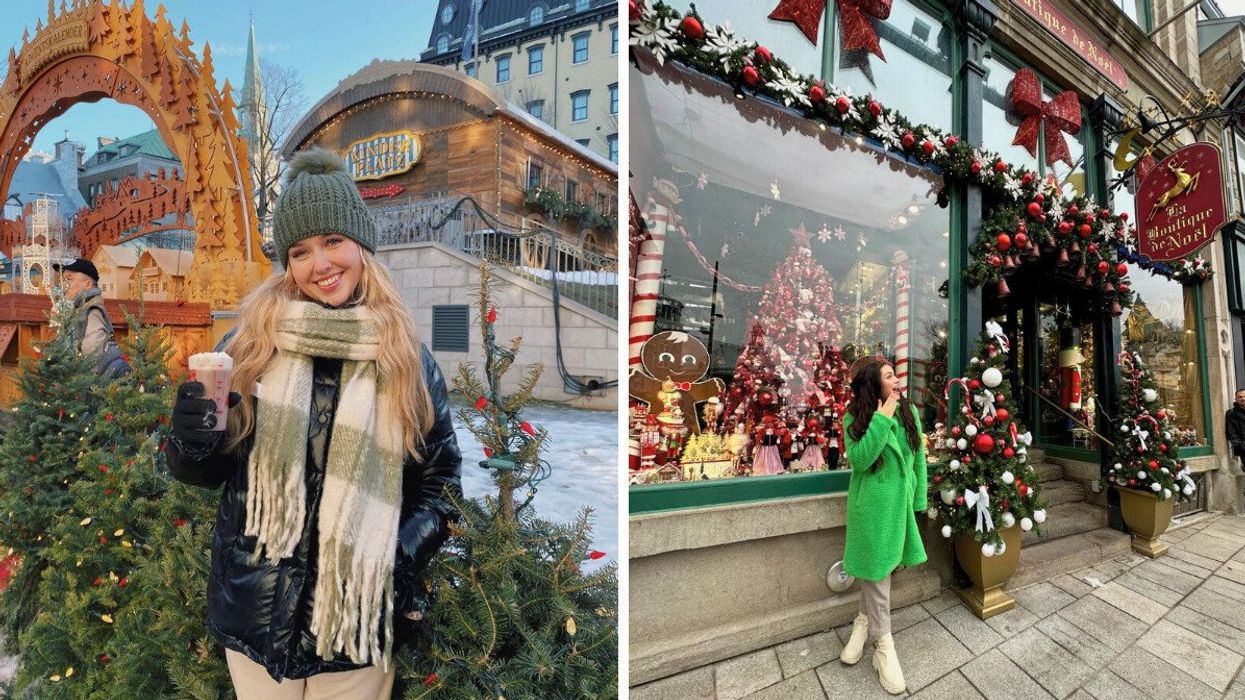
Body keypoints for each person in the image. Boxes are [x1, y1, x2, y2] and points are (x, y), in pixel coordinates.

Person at [169, 147, 462, 699]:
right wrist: (191, 439)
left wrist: (389, 558)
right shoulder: (251, 344)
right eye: (300, 251)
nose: (319, 265)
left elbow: (440, 487)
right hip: (257, 612)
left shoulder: (407, 360)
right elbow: (205, 474)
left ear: (360, 245)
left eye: (332, 242)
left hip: (356, 619)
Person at [838, 357, 927, 695]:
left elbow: (917, 457)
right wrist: (881, 417)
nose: (896, 380)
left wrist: (919, 501)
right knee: (877, 572)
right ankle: (884, 646)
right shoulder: (853, 417)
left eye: (894, 374)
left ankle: (862, 623)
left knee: (886, 570)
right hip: (872, 507)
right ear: (873, 384)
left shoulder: (909, 411)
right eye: (888, 376)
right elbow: (859, 460)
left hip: (901, 504)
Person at [52, 258, 130, 377]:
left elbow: (92, 351)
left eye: (69, 279)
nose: (63, 285)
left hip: (89, 386)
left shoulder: (92, 311)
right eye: (63, 280)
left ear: (87, 284)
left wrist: (76, 381)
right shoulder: (79, 310)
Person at [1226, 388, 1245, 473]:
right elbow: (1231, 433)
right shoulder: (1231, 413)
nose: (1243, 398)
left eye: (1244, 396)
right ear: (1236, 399)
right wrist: (1241, 445)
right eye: (1240, 397)